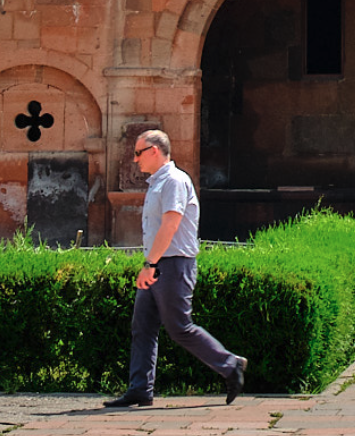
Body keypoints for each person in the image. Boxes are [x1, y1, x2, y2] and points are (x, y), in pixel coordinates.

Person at [104, 130, 249, 409]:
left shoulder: (173, 180)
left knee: (180, 327)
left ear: (155, 151)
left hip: (172, 264)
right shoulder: (159, 182)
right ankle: (139, 389)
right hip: (161, 263)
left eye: (138, 153)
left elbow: (171, 224)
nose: (135, 160)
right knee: (143, 327)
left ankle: (231, 365)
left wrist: (150, 265)